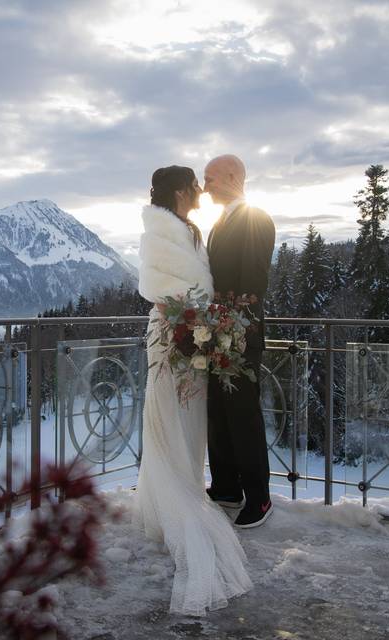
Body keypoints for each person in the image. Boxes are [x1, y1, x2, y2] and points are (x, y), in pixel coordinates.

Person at [134, 165, 253, 616]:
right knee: (167, 412)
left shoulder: (189, 229)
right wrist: (193, 320)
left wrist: (209, 323)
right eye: (196, 184)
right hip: (171, 335)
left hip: (195, 334)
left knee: (188, 416)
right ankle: (173, 497)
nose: (202, 190)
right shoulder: (158, 232)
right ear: (183, 190)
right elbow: (158, 286)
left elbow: (199, 286)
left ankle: (184, 483)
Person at [203, 154, 276, 528]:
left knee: (243, 414)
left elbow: (254, 282)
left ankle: (259, 497)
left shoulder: (256, 218)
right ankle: (227, 487)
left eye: (210, 178)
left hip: (241, 334)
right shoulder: (218, 222)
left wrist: (234, 326)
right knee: (217, 410)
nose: (205, 186)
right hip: (216, 332)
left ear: (233, 176)